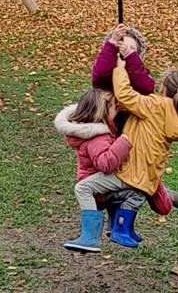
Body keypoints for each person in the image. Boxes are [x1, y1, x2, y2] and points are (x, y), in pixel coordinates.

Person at [96, 52, 178, 248]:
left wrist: (119, 69)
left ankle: (120, 229)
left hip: (134, 164)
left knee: (134, 197)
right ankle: (126, 227)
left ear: (161, 89)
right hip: (151, 168)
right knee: (139, 195)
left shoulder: (154, 104)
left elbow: (125, 94)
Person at [90, 25, 178, 214]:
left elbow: (146, 87)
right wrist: (112, 46)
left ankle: (165, 195)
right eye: (121, 46)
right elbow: (99, 75)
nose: (124, 50)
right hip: (107, 136)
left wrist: (129, 60)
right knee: (101, 192)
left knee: (161, 207)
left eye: (131, 49)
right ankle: (119, 214)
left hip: (133, 145)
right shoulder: (105, 76)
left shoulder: (139, 81)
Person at [54, 88, 131, 253]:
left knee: (84, 188)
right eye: (112, 107)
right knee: (83, 188)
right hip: (104, 178)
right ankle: (91, 236)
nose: (116, 109)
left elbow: (104, 164)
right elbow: (106, 164)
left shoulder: (90, 133)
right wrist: (124, 141)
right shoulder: (98, 137)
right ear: (102, 114)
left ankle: (102, 232)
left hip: (101, 178)